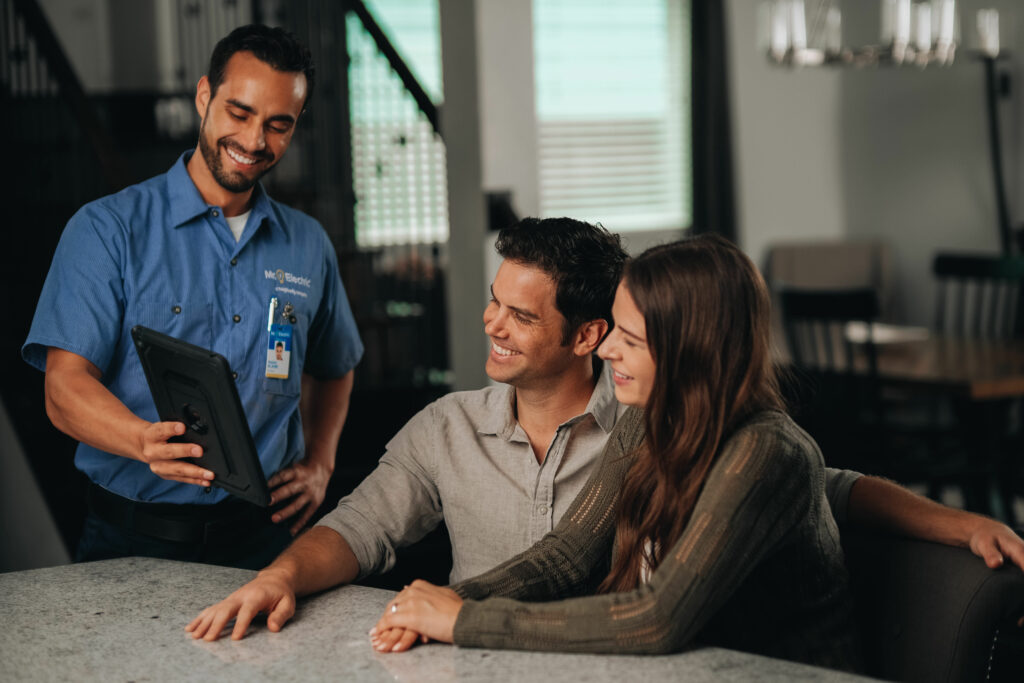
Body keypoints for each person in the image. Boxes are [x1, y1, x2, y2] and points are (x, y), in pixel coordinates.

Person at [187, 221, 1024, 642]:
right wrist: (436, 603)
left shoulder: (751, 445)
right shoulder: (649, 421)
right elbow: (564, 555)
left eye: (628, 336)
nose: (612, 349)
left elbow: (656, 616)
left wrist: (464, 620)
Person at [22, 25, 363, 569]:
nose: (255, 142)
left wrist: (321, 461)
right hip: (130, 544)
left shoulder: (308, 245)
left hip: (266, 542)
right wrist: (141, 441)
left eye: (279, 125)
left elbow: (336, 365)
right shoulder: (108, 230)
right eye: (240, 112)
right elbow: (63, 389)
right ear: (204, 96)